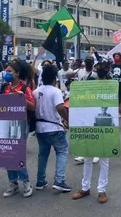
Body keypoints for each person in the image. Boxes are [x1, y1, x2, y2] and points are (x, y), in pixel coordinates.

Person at [72, 59, 113, 204]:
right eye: (98, 67)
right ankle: (85, 187)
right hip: (90, 123)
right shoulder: (89, 82)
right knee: (88, 157)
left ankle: (102, 189)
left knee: (104, 159)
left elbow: (117, 107)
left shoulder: (112, 85)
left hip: (105, 124)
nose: (99, 70)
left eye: (102, 68)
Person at [0, 59, 36, 197]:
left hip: (20, 124)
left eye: (9, 71)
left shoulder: (24, 88)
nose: (6, 73)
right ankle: (13, 183)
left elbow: (33, 106)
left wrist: (22, 99)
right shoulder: (5, 88)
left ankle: (25, 181)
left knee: (17, 153)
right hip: (6, 124)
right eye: (6, 71)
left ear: (17, 73)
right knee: (8, 153)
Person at [34, 64, 71, 193]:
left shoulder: (36, 91)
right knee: (62, 151)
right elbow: (60, 107)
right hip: (54, 127)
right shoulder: (55, 91)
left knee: (43, 154)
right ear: (54, 78)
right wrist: (66, 119)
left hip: (40, 128)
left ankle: (40, 181)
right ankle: (59, 180)